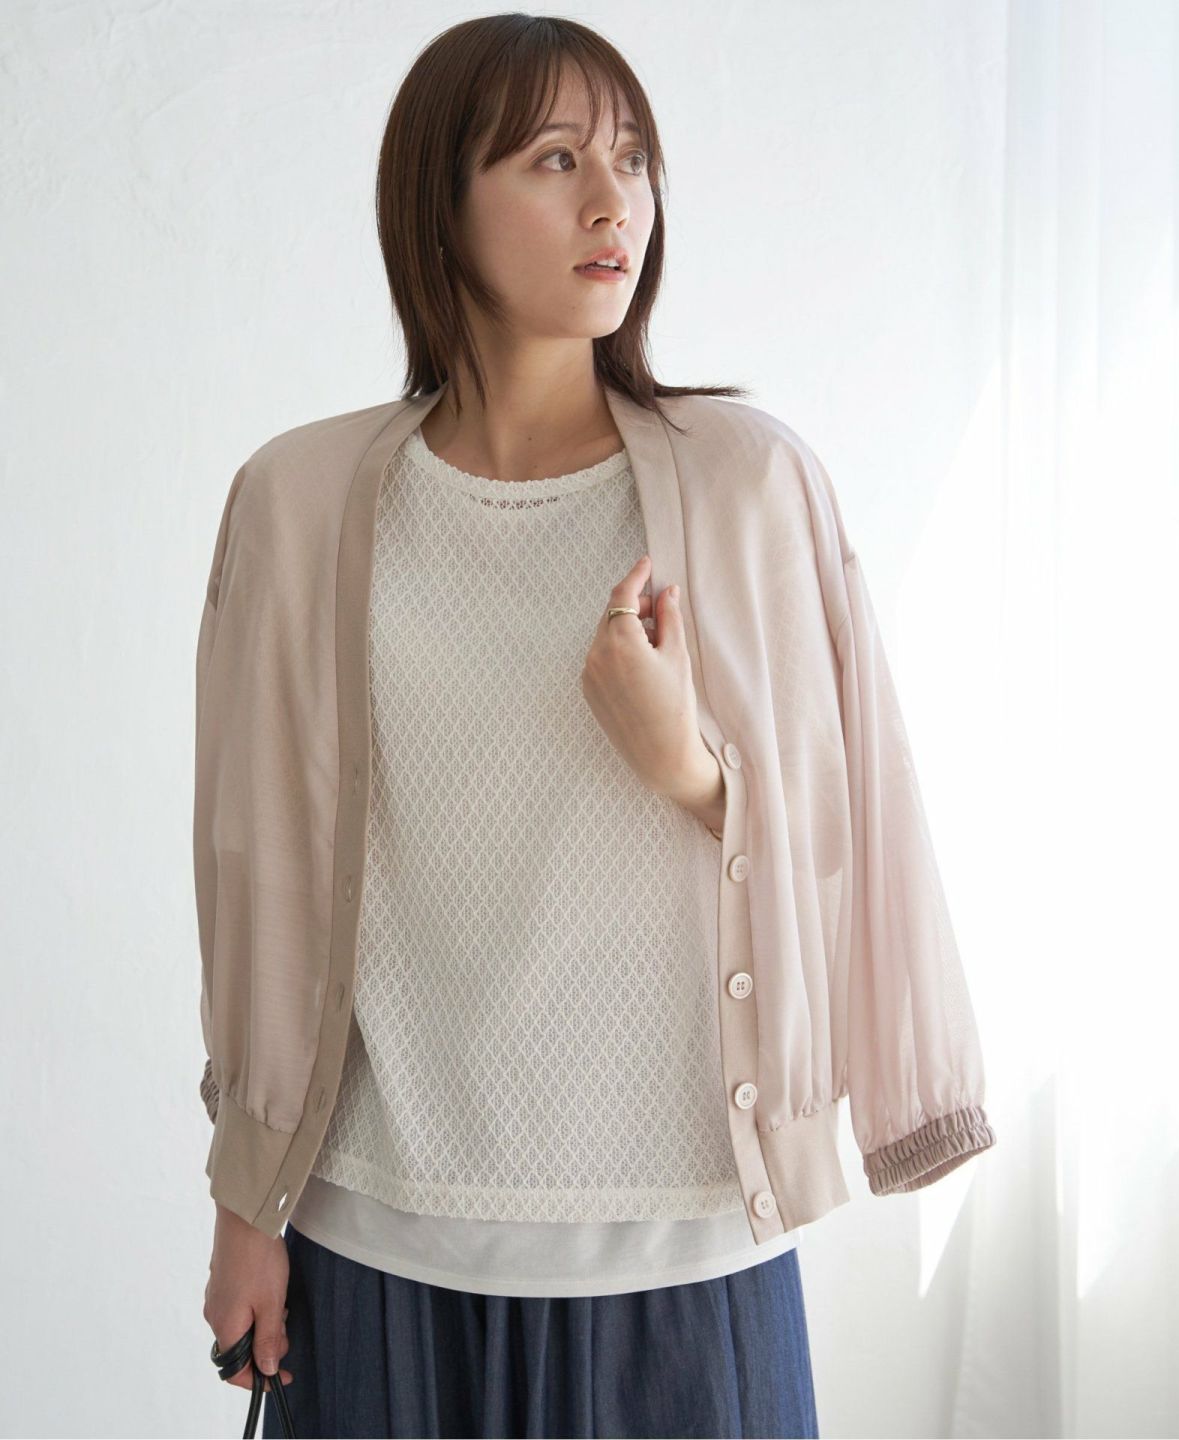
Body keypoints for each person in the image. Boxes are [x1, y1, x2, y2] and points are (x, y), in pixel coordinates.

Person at [199, 12, 995, 1439]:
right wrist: (245, 1208)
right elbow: (253, 870)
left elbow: (857, 820)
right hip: (374, 1237)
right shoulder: (298, 501)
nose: (613, 201)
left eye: (633, 160)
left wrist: (688, 765)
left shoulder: (749, 483)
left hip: (683, 1247)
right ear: (438, 202)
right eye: (556, 159)